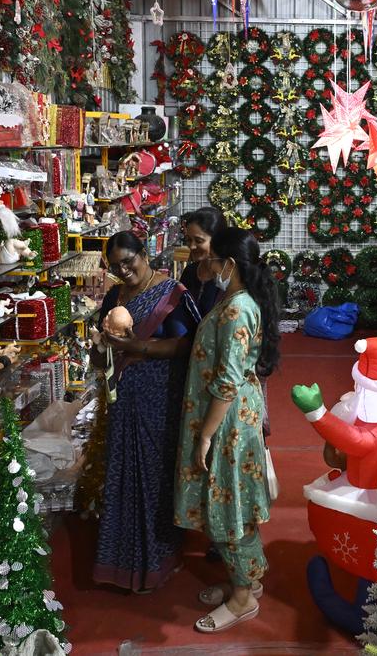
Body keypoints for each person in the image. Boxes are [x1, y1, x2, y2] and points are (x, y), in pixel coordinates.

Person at [174, 227, 281, 633]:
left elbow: (228, 379)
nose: (206, 264)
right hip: (229, 418)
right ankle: (244, 582)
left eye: (211, 259)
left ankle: (242, 600)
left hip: (228, 423)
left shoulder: (237, 309)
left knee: (229, 507)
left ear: (229, 264)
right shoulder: (234, 300)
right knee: (226, 502)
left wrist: (206, 434)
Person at [91, 231, 203, 593]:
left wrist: (136, 345)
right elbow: (101, 339)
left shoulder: (170, 294)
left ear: (145, 254)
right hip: (123, 399)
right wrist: (101, 349)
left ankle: (159, 557)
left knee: (154, 473)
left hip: (159, 398)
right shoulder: (114, 295)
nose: (124, 270)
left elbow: (186, 344)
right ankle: (121, 560)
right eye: (116, 266)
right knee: (123, 470)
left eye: (129, 260)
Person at [179, 206, 225, 313]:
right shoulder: (189, 272)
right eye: (188, 240)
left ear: (217, 240)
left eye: (199, 241)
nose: (192, 246)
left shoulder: (228, 277)